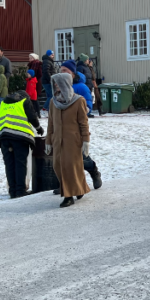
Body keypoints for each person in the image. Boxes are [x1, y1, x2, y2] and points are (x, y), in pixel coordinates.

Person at [46, 72, 90, 207]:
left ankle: (68, 196)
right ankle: (78, 188)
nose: (55, 86)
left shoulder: (78, 101)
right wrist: (48, 141)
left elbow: (83, 122)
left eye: (58, 83)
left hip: (73, 141)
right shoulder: (54, 102)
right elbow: (51, 123)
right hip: (58, 141)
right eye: (54, 83)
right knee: (57, 166)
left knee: (70, 167)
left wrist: (86, 140)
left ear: (65, 84)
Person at [0, 88, 44, 198]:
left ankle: (12, 191)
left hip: (3, 137)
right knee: (20, 163)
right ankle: (20, 191)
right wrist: (38, 128)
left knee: (9, 164)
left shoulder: (2, 103)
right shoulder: (24, 101)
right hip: (20, 138)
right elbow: (32, 117)